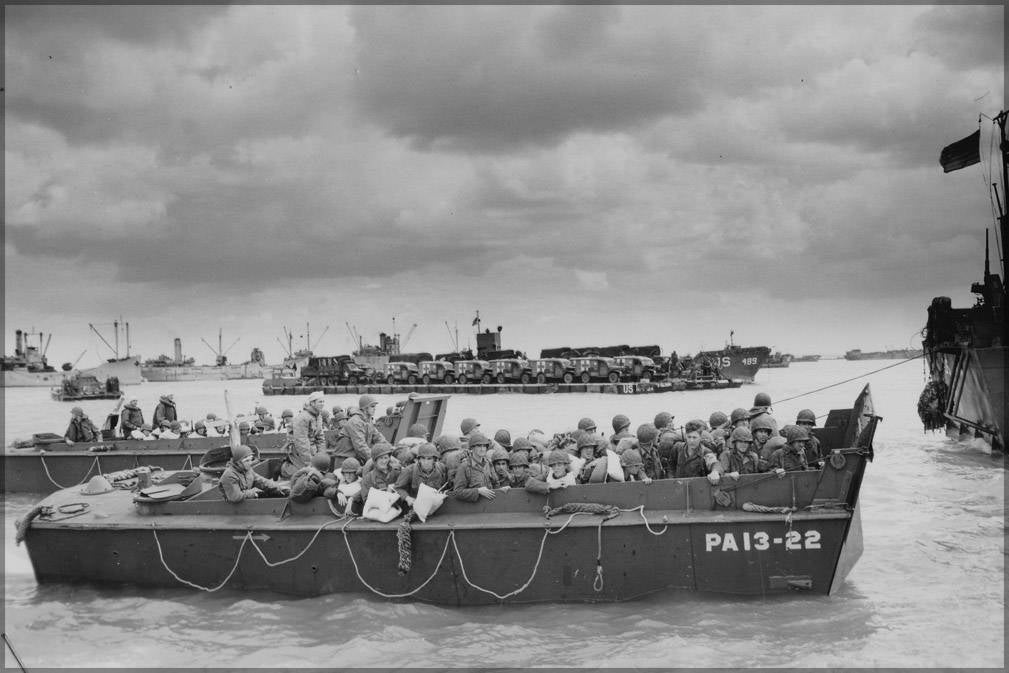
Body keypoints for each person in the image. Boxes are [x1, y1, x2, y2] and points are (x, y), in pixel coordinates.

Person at [218, 445, 287, 503]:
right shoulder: (229, 475)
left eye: (250, 460)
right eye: (246, 461)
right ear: (238, 462)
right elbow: (235, 497)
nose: (250, 463)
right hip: (231, 507)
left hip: (246, 500)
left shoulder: (247, 470)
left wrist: (278, 488)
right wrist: (254, 493)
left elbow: (261, 481)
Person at [283, 391, 326, 479]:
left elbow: (320, 438)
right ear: (312, 403)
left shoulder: (318, 416)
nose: (322, 404)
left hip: (312, 448)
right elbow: (301, 442)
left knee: (319, 471)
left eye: (323, 401)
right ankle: (284, 468)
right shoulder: (303, 418)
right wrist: (310, 463)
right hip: (299, 451)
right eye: (320, 402)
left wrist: (321, 457)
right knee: (305, 474)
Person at [332, 395, 382, 468]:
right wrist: (376, 459)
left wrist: (390, 450)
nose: (375, 409)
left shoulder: (367, 421)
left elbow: (378, 437)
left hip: (355, 459)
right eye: (372, 406)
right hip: (345, 461)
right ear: (365, 408)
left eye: (375, 406)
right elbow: (360, 446)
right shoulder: (355, 421)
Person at [394, 442, 448, 507]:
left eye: (429, 458)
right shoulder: (409, 471)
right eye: (423, 458)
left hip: (435, 505)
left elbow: (446, 486)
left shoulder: (442, 468)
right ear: (419, 459)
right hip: (415, 505)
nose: (426, 462)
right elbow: (398, 488)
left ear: (434, 459)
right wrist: (408, 498)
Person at [667, 420, 722, 484]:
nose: (691, 441)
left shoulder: (705, 452)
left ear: (700, 437)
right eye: (689, 437)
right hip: (679, 488)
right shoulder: (677, 448)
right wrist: (672, 480)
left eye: (694, 437)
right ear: (685, 436)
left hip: (698, 488)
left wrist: (715, 472)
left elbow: (715, 463)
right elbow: (671, 466)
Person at [451, 431, 497, 502]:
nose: (482, 449)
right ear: (472, 448)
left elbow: (495, 484)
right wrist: (477, 491)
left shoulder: (488, 463)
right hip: (473, 507)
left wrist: (502, 489)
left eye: (484, 446)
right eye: (479, 446)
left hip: (489, 504)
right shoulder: (464, 467)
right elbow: (457, 492)